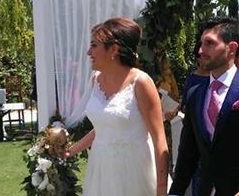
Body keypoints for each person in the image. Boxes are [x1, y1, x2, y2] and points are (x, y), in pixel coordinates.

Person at [169, 17, 239, 196]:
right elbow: (187, 152)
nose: (201, 50)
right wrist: (175, 192)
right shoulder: (195, 94)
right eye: (201, 43)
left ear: (232, 48)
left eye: (209, 43)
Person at [65, 17, 169, 196]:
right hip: (101, 170)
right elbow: (104, 127)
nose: (89, 52)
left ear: (113, 50)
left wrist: (161, 189)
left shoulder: (141, 82)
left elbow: (159, 140)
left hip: (135, 172)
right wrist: (71, 151)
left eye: (94, 45)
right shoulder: (95, 80)